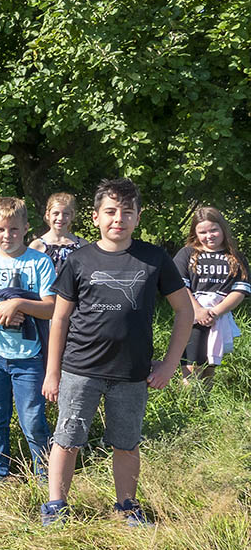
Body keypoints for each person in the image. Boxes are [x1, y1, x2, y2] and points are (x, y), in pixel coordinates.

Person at [41, 179, 193, 526]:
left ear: (138, 217)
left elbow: (185, 312)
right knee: (67, 439)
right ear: (95, 217)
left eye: (127, 212)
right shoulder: (78, 260)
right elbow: (59, 319)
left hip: (131, 373)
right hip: (80, 369)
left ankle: (127, 506)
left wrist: (171, 365)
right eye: (110, 212)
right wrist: (53, 372)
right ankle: (56, 506)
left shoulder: (154, 259)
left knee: (126, 443)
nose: (118, 219)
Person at [0, 197, 56, 483]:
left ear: (26, 228)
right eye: (1, 230)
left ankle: (45, 477)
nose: (8, 236)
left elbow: (51, 307)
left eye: (14, 230)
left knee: (33, 420)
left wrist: (17, 305)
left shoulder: (40, 262)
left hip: (28, 356)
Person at [172, 207, 248, 385]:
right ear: (195, 233)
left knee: (209, 362)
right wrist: (197, 311)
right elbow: (178, 286)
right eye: (203, 232)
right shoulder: (187, 254)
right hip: (191, 314)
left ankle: (205, 402)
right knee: (191, 362)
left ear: (222, 228)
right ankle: (189, 402)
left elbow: (240, 290)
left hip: (218, 316)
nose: (209, 235)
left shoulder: (236, 257)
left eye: (214, 230)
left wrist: (214, 313)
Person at [29, 193, 84, 274]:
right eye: (56, 213)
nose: (60, 218)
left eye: (66, 214)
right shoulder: (37, 246)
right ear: (48, 215)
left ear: (72, 215)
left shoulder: (82, 245)